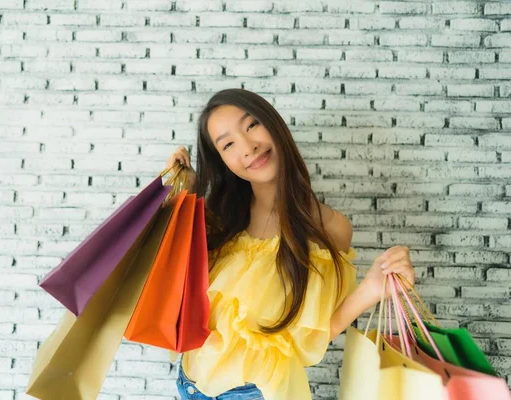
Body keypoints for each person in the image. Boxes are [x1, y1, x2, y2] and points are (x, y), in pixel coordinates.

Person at [164, 88, 416, 400]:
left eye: (252, 125)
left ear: (274, 124)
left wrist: (374, 288)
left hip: (258, 393)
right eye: (228, 144)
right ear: (223, 161)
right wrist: (182, 196)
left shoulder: (328, 228)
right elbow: (170, 290)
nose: (248, 146)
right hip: (189, 384)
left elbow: (315, 332)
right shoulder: (218, 219)